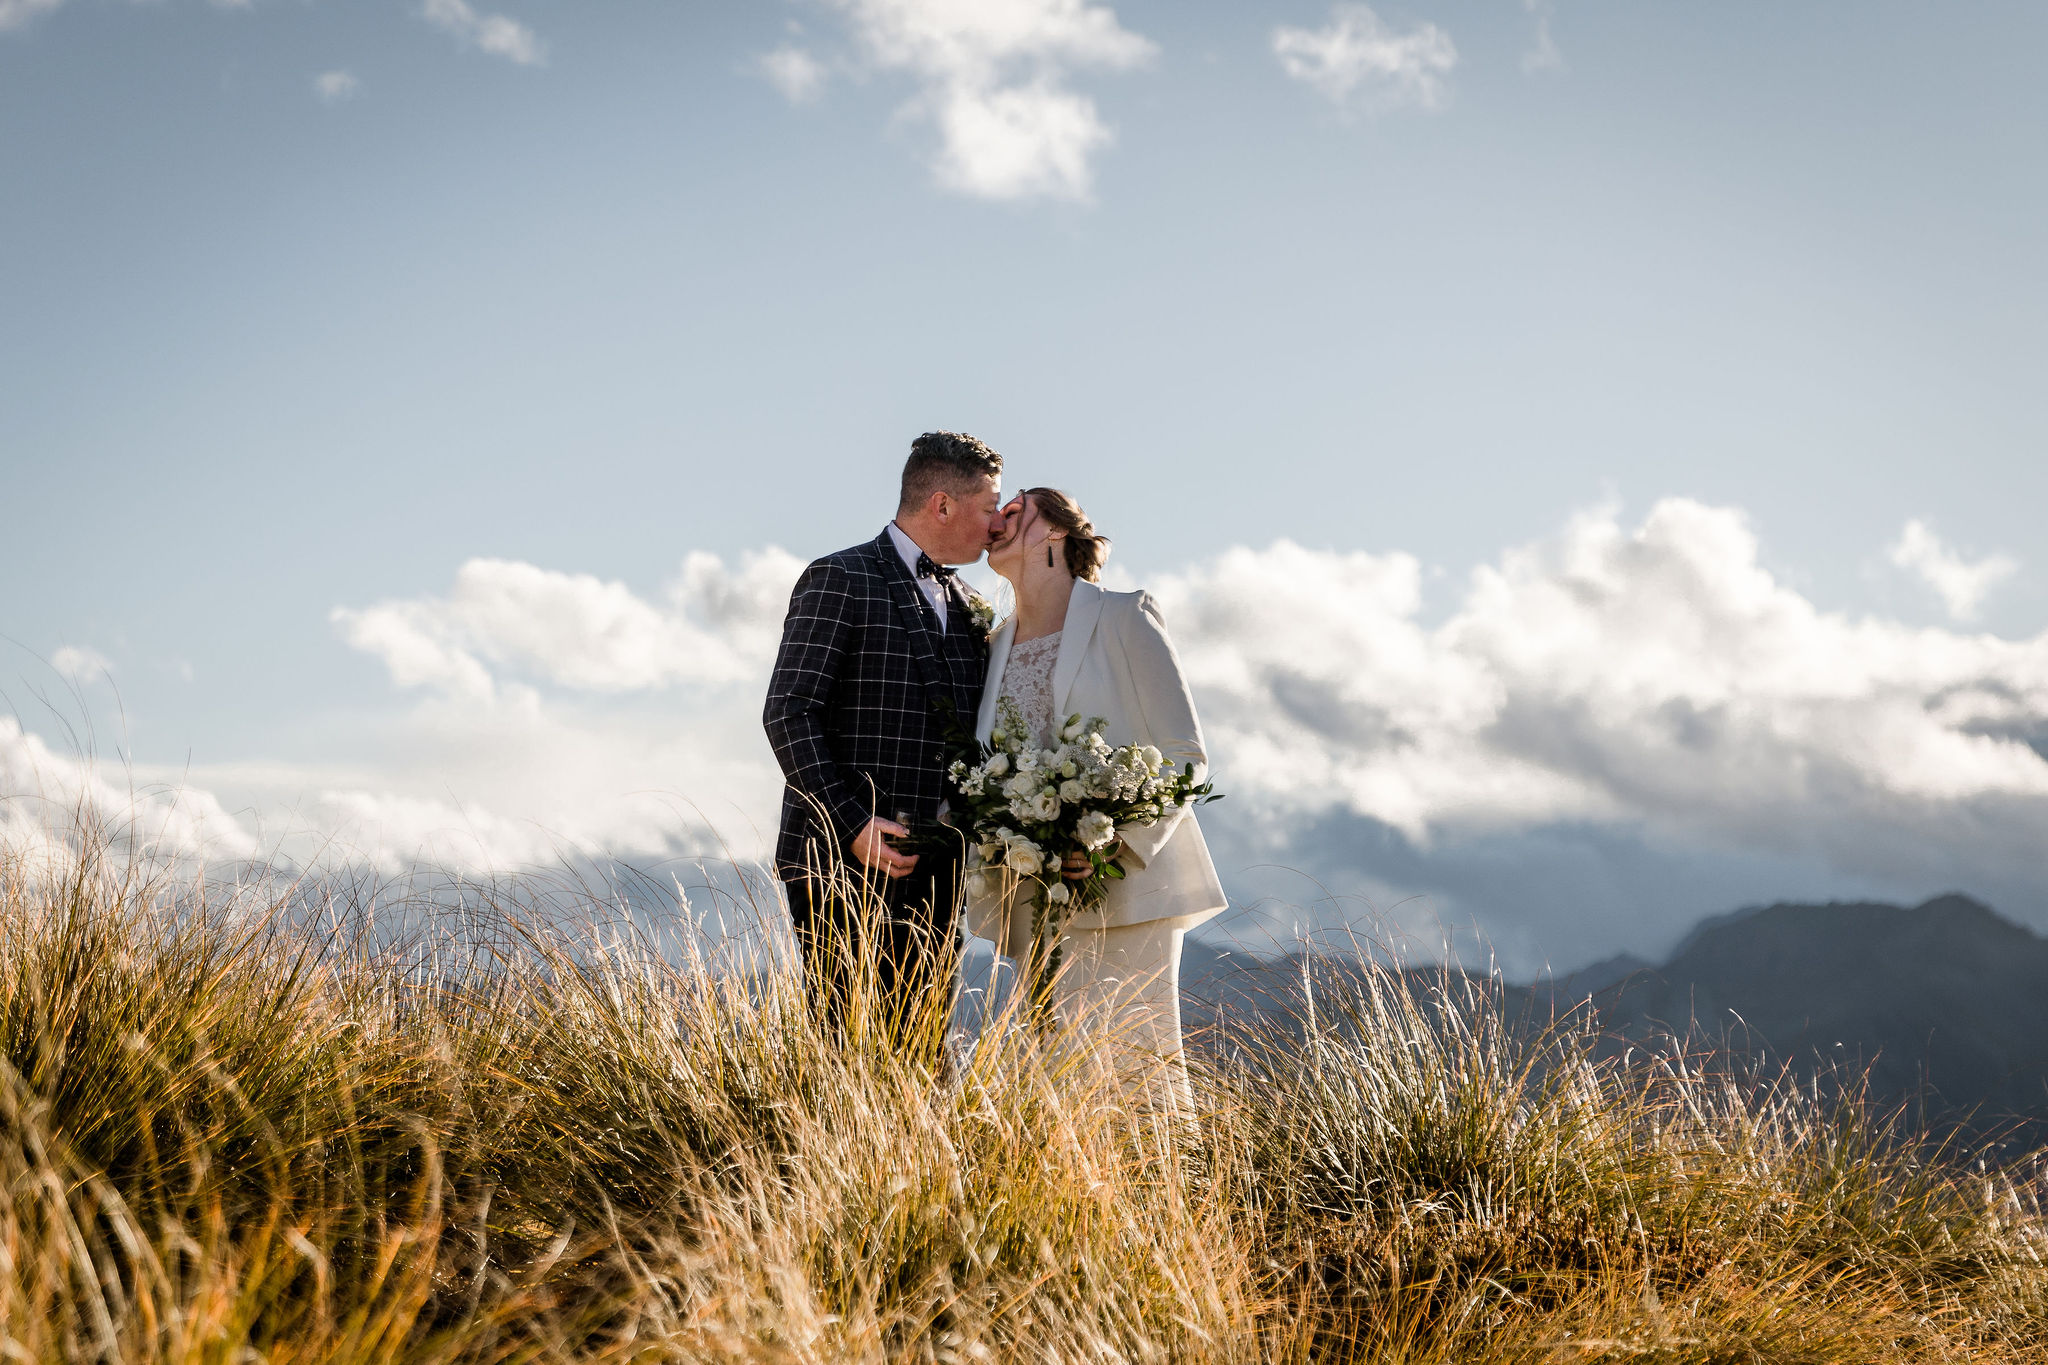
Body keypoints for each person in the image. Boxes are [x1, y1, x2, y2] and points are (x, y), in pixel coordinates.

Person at [965, 488, 1227, 1114]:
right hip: (1032, 895)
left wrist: (1113, 840)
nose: (996, 521)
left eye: (1016, 509)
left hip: (1128, 889)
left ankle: (1167, 1198)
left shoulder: (1125, 616)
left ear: (1055, 530)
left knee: (1136, 1063)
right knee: (1053, 1073)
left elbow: (1185, 755)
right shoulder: (991, 646)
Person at [763, 432, 1012, 1055]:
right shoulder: (838, 577)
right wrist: (852, 823)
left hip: (937, 871)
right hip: (837, 863)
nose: (997, 523)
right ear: (943, 505)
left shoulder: (975, 606)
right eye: (989, 507)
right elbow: (790, 713)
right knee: (845, 1052)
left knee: (923, 1051)